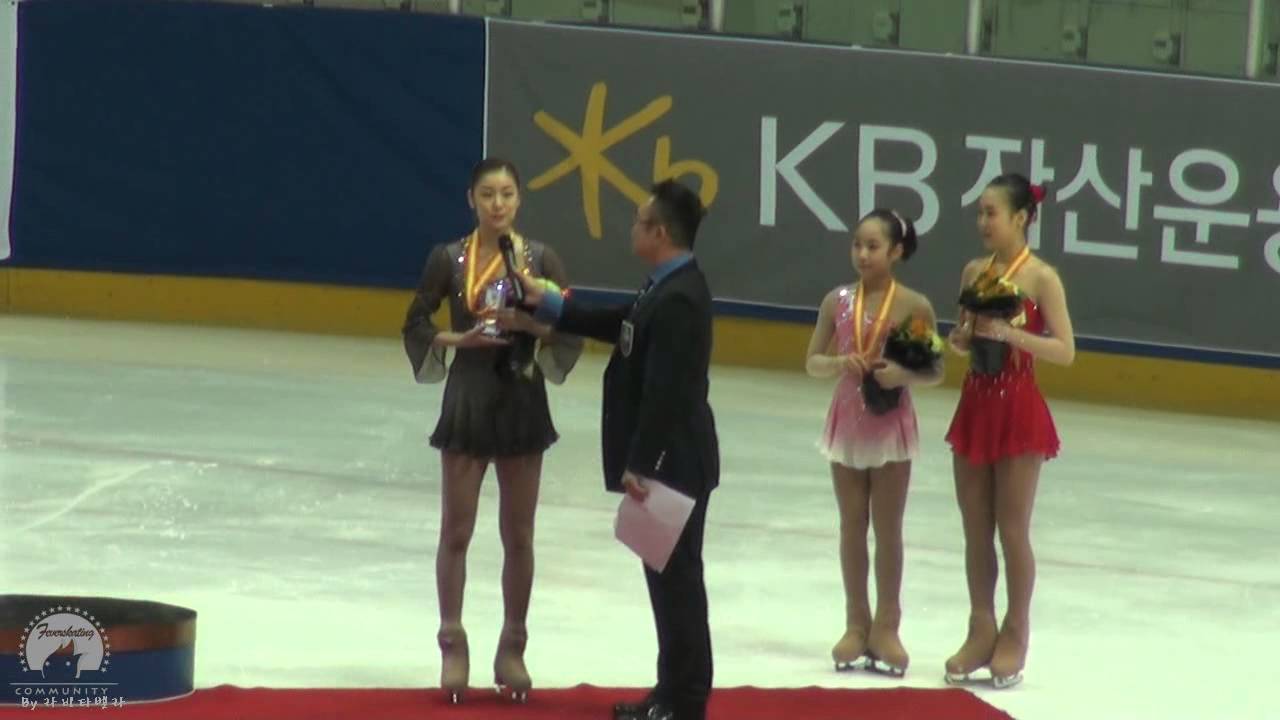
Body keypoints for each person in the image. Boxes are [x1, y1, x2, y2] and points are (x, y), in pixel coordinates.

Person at [497, 179, 718, 720]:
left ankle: (685, 701)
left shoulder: (679, 299)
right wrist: (548, 304)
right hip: (669, 458)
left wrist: (642, 462)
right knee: (666, 580)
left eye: (639, 221)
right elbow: (622, 324)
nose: (632, 228)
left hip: (673, 461)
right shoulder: (665, 286)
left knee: (678, 583)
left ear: (659, 232)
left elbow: (668, 392)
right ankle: (671, 692)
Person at [401, 157, 583, 704]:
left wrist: (529, 324)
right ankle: (452, 642)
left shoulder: (541, 259)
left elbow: (569, 326)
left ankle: (513, 647)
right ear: (471, 200)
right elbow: (416, 322)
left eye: (506, 194)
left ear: (519, 199)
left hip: (522, 399)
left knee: (518, 536)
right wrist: (460, 341)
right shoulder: (448, 259)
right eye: (487, 194)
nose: (497, 204)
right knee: (456, 531)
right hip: (469, 399)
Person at [943, 173, 1075, 689]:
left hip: (1018, 407)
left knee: (1011, 528)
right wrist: (960, 338)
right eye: (979, 212)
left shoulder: (1042, 278)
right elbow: (962, 334)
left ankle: (1016, 631)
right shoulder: (974, 271)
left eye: (991, 213)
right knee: (974, 527)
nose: (983, 221)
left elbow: (1065, 351)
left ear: (1021, 218)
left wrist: (1010, 334)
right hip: (976, 403)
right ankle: (981, 628)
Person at [805, 209, 943, 678]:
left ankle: (887, 627)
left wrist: (900, 373)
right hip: (847, 419)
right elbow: (812, 361)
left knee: (887, 529)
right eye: (857, 245)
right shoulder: (836, 301)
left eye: (873, 246)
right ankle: (855, 623)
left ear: (896, 251)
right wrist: (838, 363)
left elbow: (934, 370)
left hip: (889, 424)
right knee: (851, 524)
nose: (862, 254)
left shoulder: (912, 306)